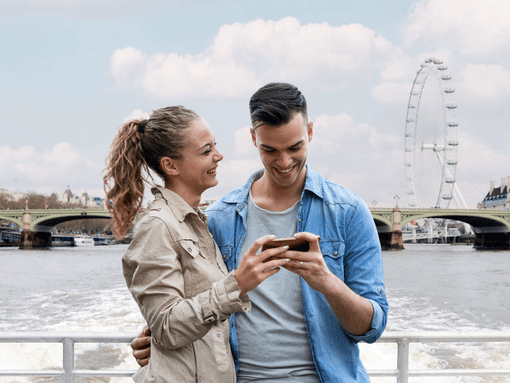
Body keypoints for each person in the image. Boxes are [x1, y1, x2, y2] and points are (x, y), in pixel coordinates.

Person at [131, 84, 389, 382]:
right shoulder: (218, 219)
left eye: (295, 147)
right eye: (270, 150)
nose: (284, 162)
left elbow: (372, 328)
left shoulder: (349, 212)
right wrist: (158, 342)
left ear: (311, 132)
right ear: (253, 138)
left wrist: (327, 282)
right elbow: (188, 311)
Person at [103, 105, 292, 383]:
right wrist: (237, 284)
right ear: (170, 165)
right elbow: (167, 326)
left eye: (215, 145)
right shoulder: (157, 225)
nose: (219, 155)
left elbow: (173, 318)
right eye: (206, 151)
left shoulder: (199, 222)